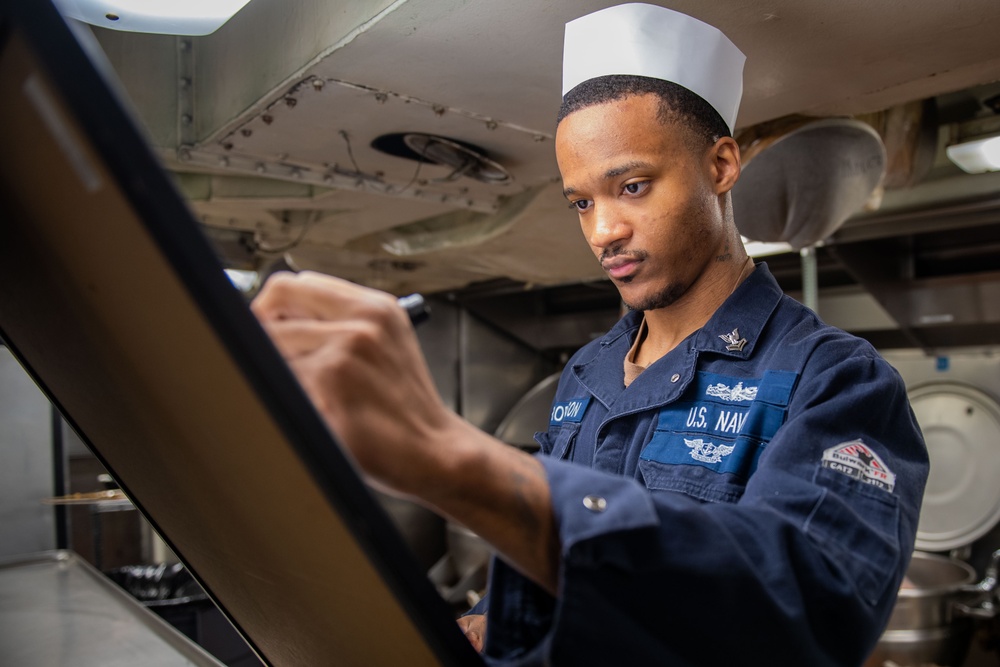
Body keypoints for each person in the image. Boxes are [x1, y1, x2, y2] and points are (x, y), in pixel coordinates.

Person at [251, 4, 928, 665]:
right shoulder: (586, 372)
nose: (603, 231)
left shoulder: (836, 381)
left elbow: (809, 608)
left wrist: (451, 458)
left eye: (632, 186)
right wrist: (494, 619)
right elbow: (552, 574)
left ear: (721, 165)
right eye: (582, 202)